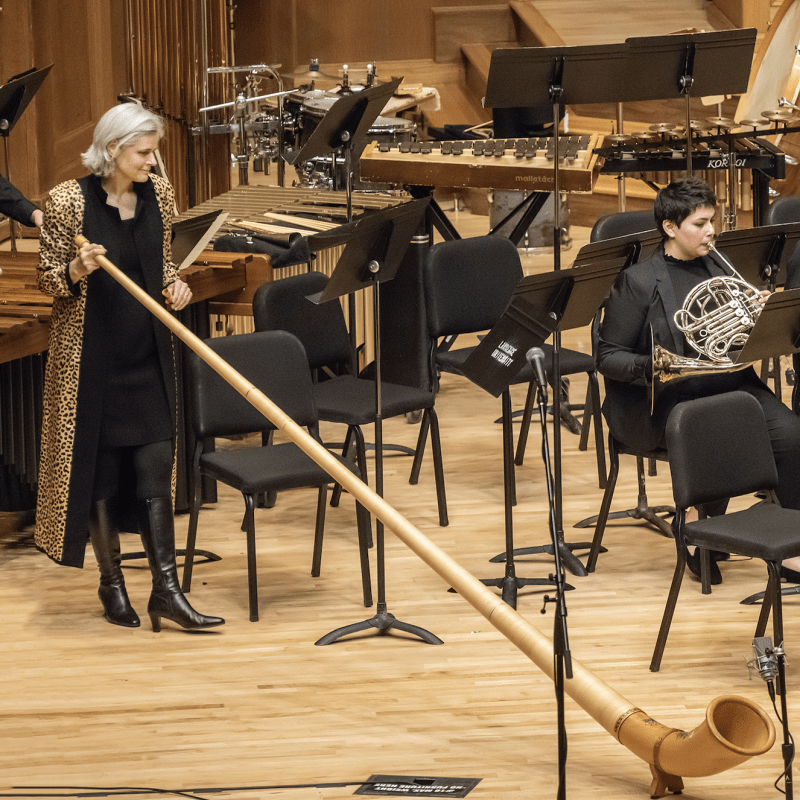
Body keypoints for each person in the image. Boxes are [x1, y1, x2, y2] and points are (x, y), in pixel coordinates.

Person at [35, 102, 224, 632]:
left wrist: (175, 284)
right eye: (144, 152)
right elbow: (47, 280)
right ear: (113, 149)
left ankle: (166, 589)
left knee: (154, 467)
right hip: (90, 365)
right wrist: (75, 267)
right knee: (98, 474)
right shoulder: (69, 201)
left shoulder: (157, 194)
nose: (153, 161)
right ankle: (112, 583)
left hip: (147, 359)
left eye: (154, 150)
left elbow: (160, 261)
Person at [597, 176, 800, 585]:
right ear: (670, 228)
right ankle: (695, 530)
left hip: (731, 384)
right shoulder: (638, 281)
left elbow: (740, 339)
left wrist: (762, 315)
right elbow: (607, 356)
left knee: (793, 435)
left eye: (713, 221)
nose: (711, 231)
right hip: (670, 396)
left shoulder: (721, 265)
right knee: (718, 432)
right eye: (700, 223)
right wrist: (652, 367)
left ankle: (792, 543)